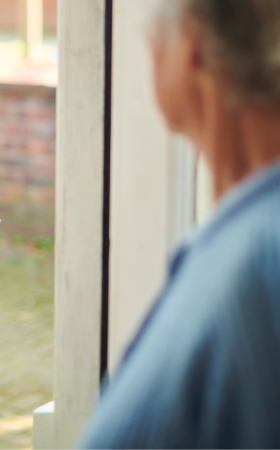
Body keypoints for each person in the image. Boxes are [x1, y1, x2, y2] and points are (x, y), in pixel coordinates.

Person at [81, 0, 280, 447]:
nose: (147, 45)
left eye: (151, 32)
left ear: (192, 44)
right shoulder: (237, 240)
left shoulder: (262, 269)